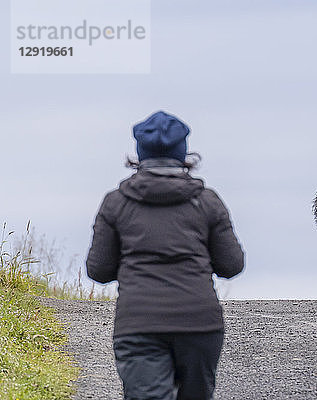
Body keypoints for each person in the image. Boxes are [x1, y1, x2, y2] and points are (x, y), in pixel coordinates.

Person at [86, 110, 244, 400]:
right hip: (199, 324)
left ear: (139, 153)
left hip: (139, 325)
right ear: (182, 151)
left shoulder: (115, 203)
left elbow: (99, 270)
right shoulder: (207, 202)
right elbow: (231, 265)